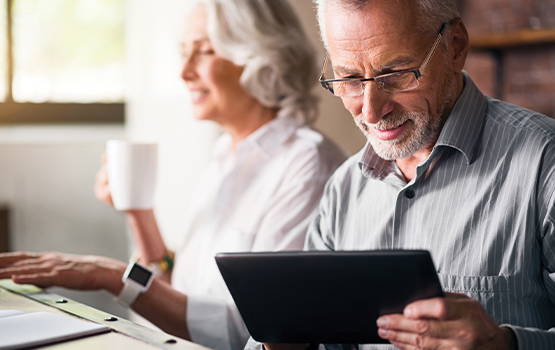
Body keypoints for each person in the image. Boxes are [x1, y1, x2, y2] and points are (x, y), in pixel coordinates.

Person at [0, 1, 346, 350]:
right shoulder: (225, 156)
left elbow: (254, 332)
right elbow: (181, 297)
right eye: (183, 53)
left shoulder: (307, 167)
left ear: (262, 57)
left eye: (205, 51)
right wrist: (137, 209)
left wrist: (109, 276)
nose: (184, 72)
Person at [246, 0, 555, 350]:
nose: (372, 110)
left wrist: (504, 344)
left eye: (395, 75)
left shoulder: (546, 165)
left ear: (455, 47)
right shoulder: (343, 190)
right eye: (349, 79)